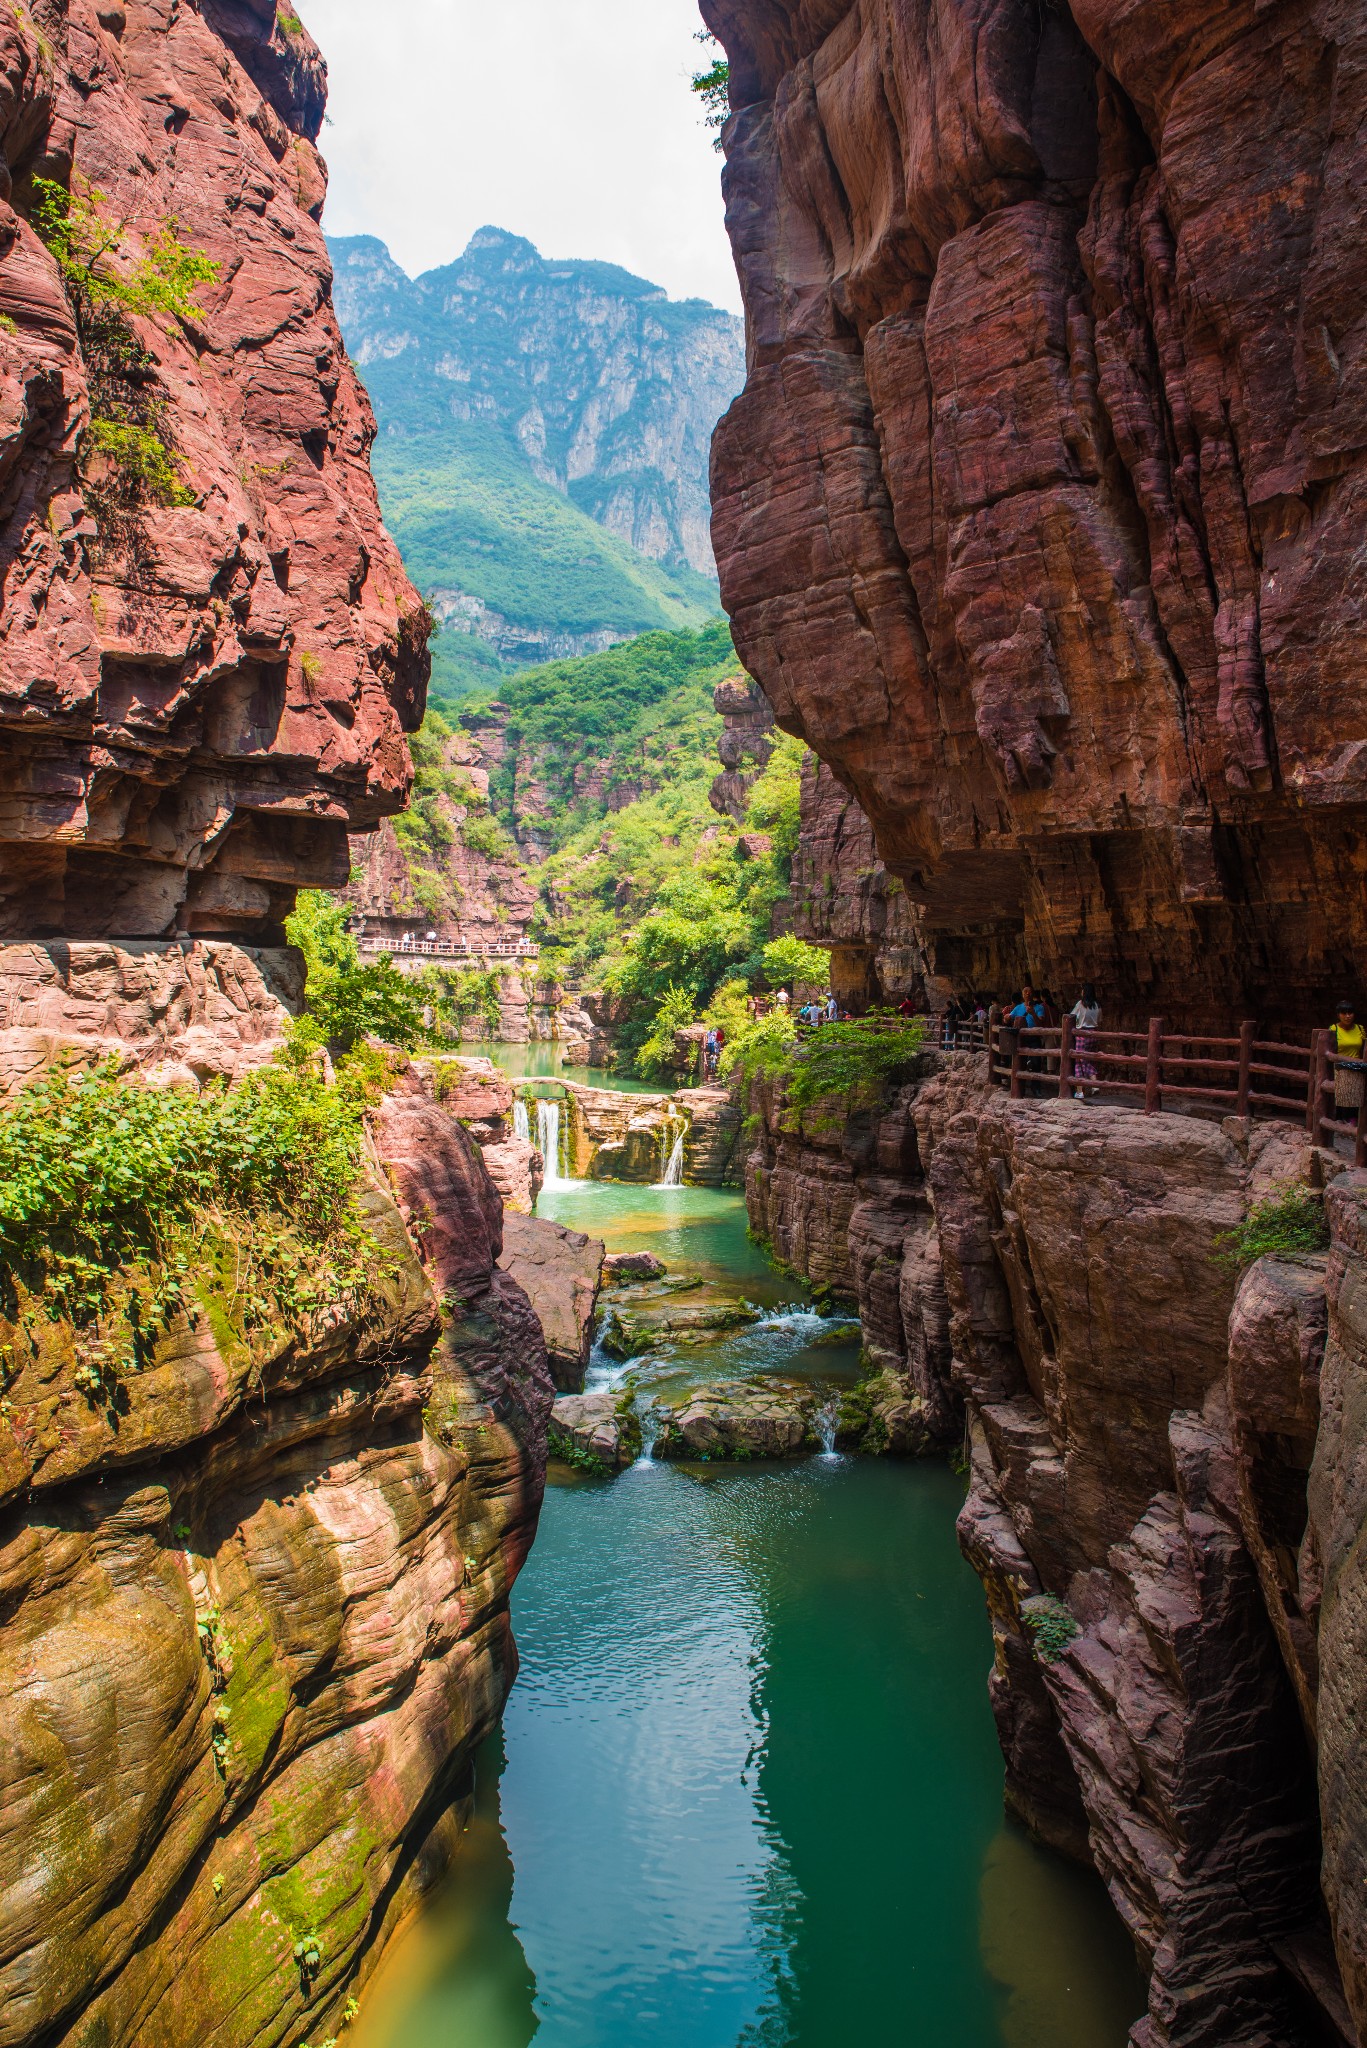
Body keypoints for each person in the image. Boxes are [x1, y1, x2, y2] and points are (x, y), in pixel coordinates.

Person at [1329, 1000, 1366, 1131]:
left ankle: (1353, 1122)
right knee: (1343, 1094)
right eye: (1344, 1013)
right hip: (1340, 1066)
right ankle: (1340, 1119)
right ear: (1338, 1015)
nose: (1347, 1016)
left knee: (1355, 1094)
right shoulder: (1334, 1029)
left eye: (1350, 1013)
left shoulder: (1360, 1029)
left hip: (1357, 1067)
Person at [1070, 983, 1101, 1097]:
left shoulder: (1081, 1004)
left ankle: (1082, 1090)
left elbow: (1071, 1016)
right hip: (1093, 1034)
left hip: (1082, 1034)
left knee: (1079, 1062)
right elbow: (1100, 1019)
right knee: (1089, 1059)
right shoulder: (1097, 1005)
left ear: (1085, 991)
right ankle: (1093, 1086)